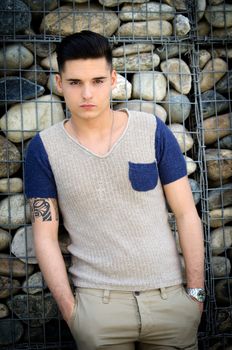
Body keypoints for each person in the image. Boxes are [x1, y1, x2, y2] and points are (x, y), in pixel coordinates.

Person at [24, 30, 205, 350]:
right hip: (99, 309)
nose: (87, 94)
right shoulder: (45, 149)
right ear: (58, 83)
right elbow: (45, 236)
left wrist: (196, 296)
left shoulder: (151, 131)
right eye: (75, 83)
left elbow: (187, 213)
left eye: (97, 80)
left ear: (113, 80)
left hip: (169, 300)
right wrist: (72, 313)